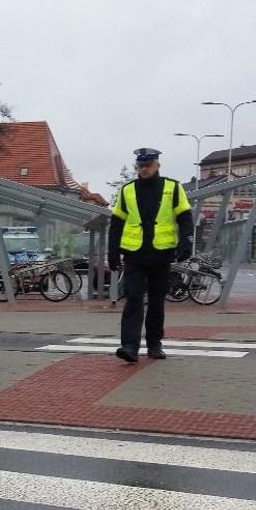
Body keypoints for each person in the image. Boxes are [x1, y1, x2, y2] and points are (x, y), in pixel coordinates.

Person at [108, 148, 193, 363]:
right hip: (134, 254)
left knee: (156, 301)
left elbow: (185, 217)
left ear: (157, 165)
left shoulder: (172, 188)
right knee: (134, 298)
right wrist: (113, 251)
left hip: (161, 254)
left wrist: (186, 242)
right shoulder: (127, 190)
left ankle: (155, 344)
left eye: (148, 165)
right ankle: (129, 346)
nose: (144, 169)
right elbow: (117, 223)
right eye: (141, 166)